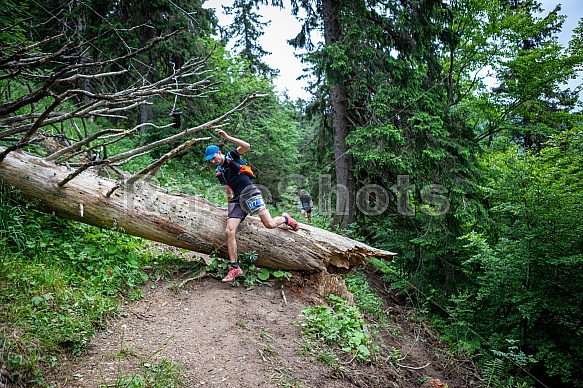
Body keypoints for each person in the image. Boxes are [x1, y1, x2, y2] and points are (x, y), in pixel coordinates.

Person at [205, 129, 299, 282]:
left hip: (250, 192)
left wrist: (227, 136)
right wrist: (230, 207)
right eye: (210, 160)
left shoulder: (231, 155)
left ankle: (285, 219)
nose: (212, 161)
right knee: (229, 231)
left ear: (219, 152)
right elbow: (228, 188)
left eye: (213, 157)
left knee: (269, 224)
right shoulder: (219, 171)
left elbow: (246, 146)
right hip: (237, 199)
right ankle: (234, 268)